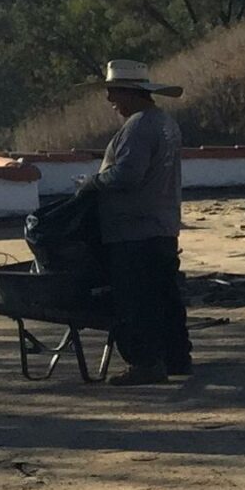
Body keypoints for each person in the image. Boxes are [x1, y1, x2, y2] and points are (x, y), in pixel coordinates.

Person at [84, 58, 192, 385]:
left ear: (131, 92)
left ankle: (145, 361)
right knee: (165, 294)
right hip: (162, 223)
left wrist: (92, 183)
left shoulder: (138, 126)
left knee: (135, 298)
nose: (110, 100)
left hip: (134, 228)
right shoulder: (164, 123)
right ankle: (176, 356)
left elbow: (128, 175)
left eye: (114, 92)